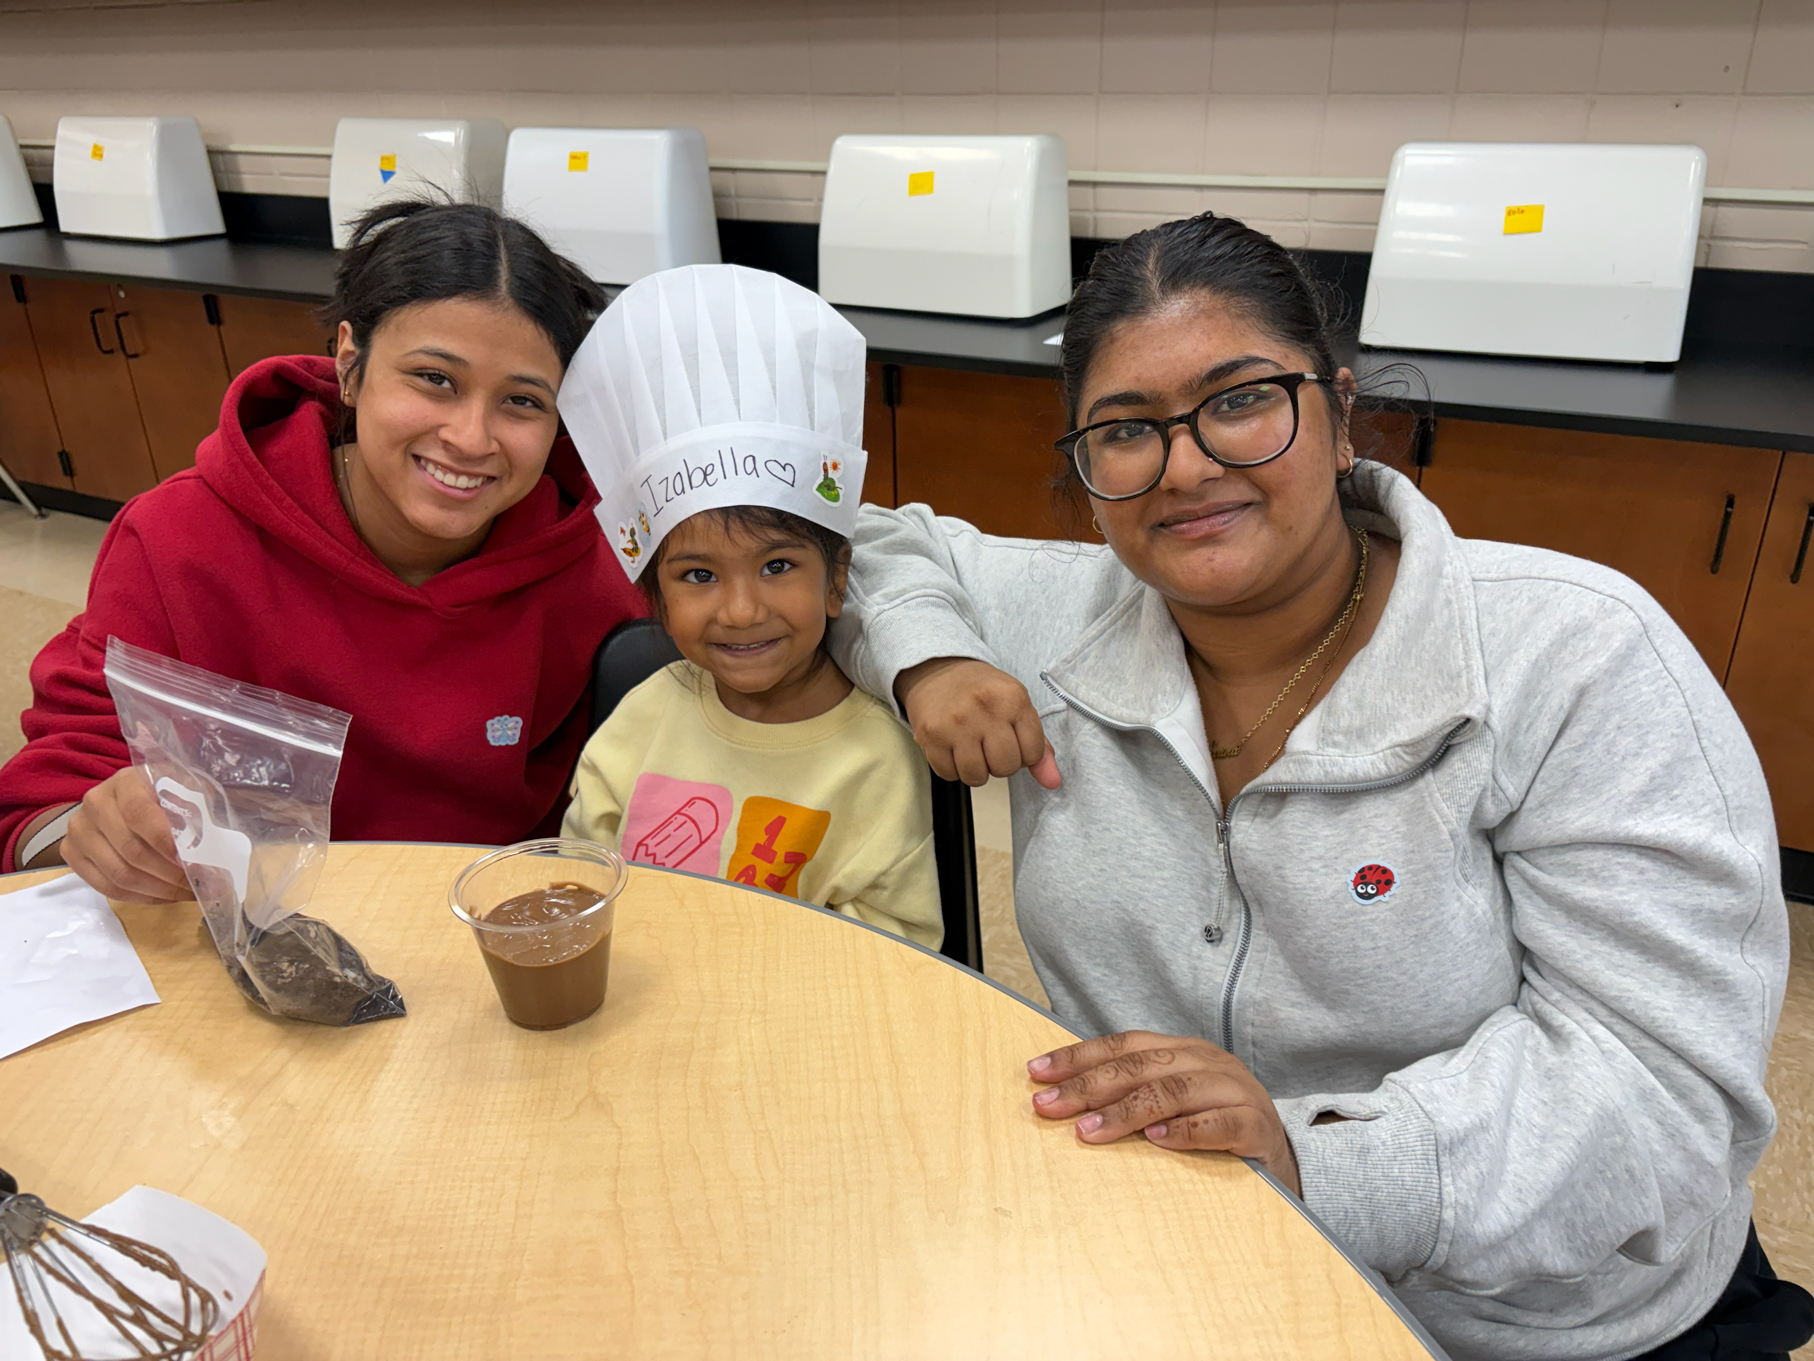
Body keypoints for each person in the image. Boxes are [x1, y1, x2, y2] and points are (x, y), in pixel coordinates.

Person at [829, 214, 1812, 1359]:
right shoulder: (1062, 617)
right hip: (1180, 1253)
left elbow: (1658, 1092)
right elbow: (860, 540)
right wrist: (926, 654)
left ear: (1339, 413)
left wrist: (1313, 1155)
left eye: (1240, 399)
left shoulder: (1574, 658)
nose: (1185, 464)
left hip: (1527, 1327)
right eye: (1125, 429)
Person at [0, 199, 644, 893]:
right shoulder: (177, 540)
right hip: (251, 940)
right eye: (434, 379)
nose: (470, 437)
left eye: (522, 401)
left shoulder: (601, 564)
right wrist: (96, 833)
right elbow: (43, 802)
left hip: (498, 926)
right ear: (349, 364)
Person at [558, 264, 942, 950]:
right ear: (656, 597)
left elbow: (901, 946)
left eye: (776, 565)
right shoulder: (641, 721)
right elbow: (582, 883)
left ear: (836, 578)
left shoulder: (876, 756)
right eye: (699, 574)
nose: (739, 610)